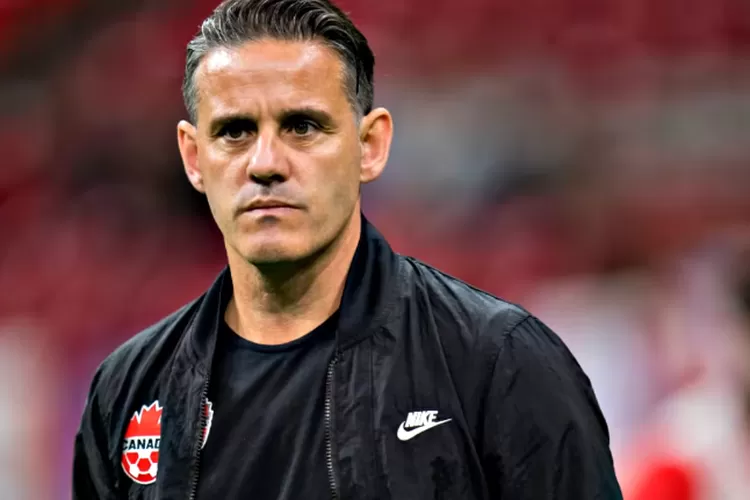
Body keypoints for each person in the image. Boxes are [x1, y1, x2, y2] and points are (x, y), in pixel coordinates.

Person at [72, 0, 622, 498]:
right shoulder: (127, 390)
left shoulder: (499, 362)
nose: (265, 164)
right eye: (235, 132)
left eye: (302, 127)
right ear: (194, 158)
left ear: (370, 146)